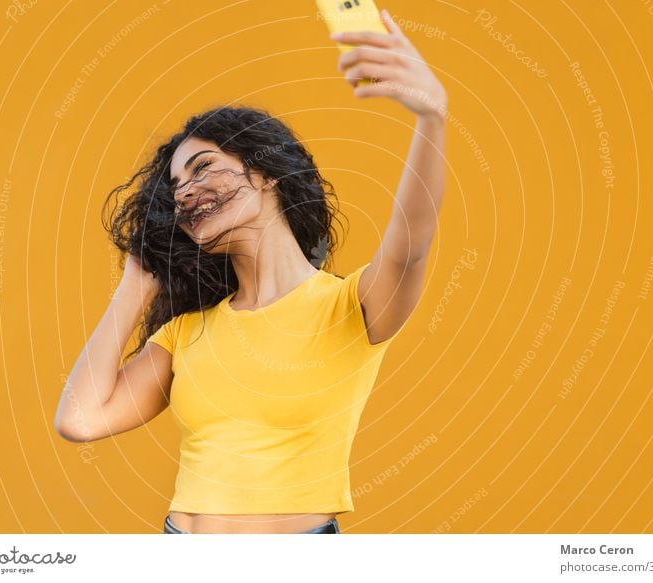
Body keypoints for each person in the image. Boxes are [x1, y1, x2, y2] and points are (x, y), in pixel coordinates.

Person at [54, 9, 447, 534]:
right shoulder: (187, 332)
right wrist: (136, 283)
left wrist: (431, 119)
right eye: (175, 188)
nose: (186, 192)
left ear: (266, 176)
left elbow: (411, 248)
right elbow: (79, 420)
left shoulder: (349, 307)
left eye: (202, 169)